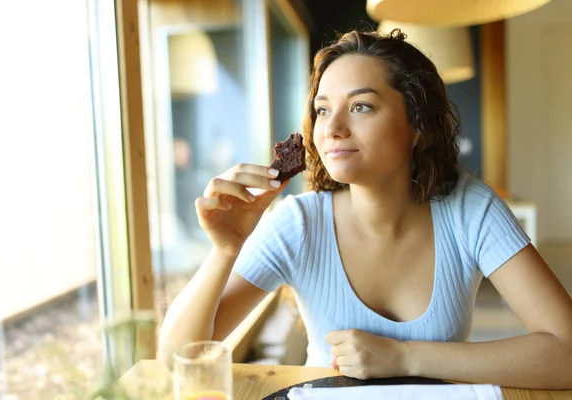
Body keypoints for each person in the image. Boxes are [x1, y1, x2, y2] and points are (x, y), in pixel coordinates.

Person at [157, 29, 572, 389]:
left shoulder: (472, 210)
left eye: (361, 106)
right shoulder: (298, 223)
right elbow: (176, 360)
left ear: (417, 125)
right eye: (322, 109)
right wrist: (225, 250)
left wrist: (405, 357)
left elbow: (566, 350)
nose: (332, 128)